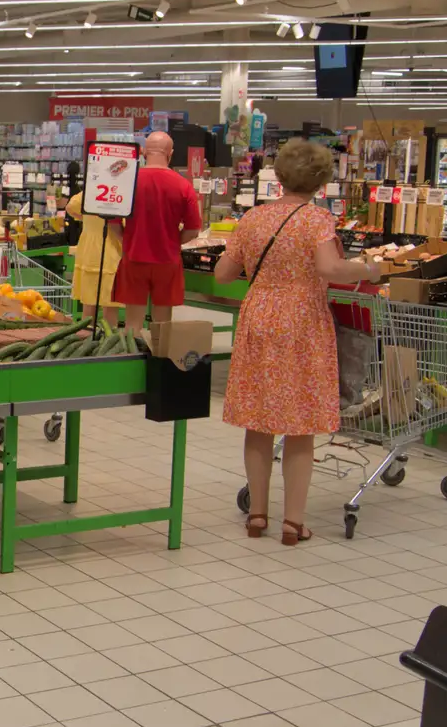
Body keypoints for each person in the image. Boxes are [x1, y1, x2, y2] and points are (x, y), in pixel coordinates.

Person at [215, 138, 382, 546]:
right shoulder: (316, 219)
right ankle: (293, 523)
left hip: (258, 316)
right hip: (303, 321)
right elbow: (329, 268)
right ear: (322, 181)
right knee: (299, 423)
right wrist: (369, 268)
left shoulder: (253, 217)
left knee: (258, 420)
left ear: (280, 174)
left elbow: (221, 274)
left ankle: (257, 515)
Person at [115, 131, 203, 336]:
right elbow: (192, 230)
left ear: (144, 152)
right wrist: (173, 242)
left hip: (134, 259)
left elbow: (112, 223)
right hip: (167, 261)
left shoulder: (128, 182)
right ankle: (159, 362)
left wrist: (128, 240)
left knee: (132, 325)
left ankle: (133, 362)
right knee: (162, 326)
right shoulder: (184, 186)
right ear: (170, 153)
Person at [65, 189, 123, 332]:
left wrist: (85, 218)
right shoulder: (120, 194)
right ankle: (109, 341)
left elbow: (70, 207)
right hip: (113, 252)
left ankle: (85, 342)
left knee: (89, 304)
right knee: (110, 305)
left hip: (89, 252)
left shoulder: (93, 190)